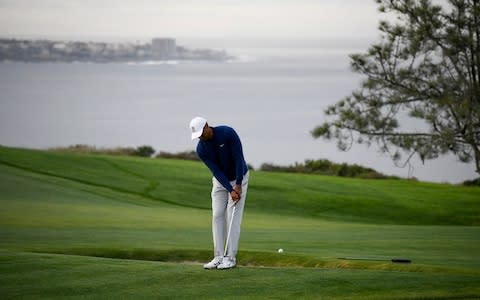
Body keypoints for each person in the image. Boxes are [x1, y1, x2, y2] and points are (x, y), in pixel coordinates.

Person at [189, 116, 249, 270]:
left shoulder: (227, 133)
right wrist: (229, 190)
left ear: (207, 126)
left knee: (232, 216)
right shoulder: (201, 149)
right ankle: (218, 256)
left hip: (239, 176)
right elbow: (216, 171)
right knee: (217, 215)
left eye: (202, 133)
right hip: (220, 181)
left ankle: (230, 258)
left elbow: (238, 159)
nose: (201, 138)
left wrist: (238, 186)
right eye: (198, 136)